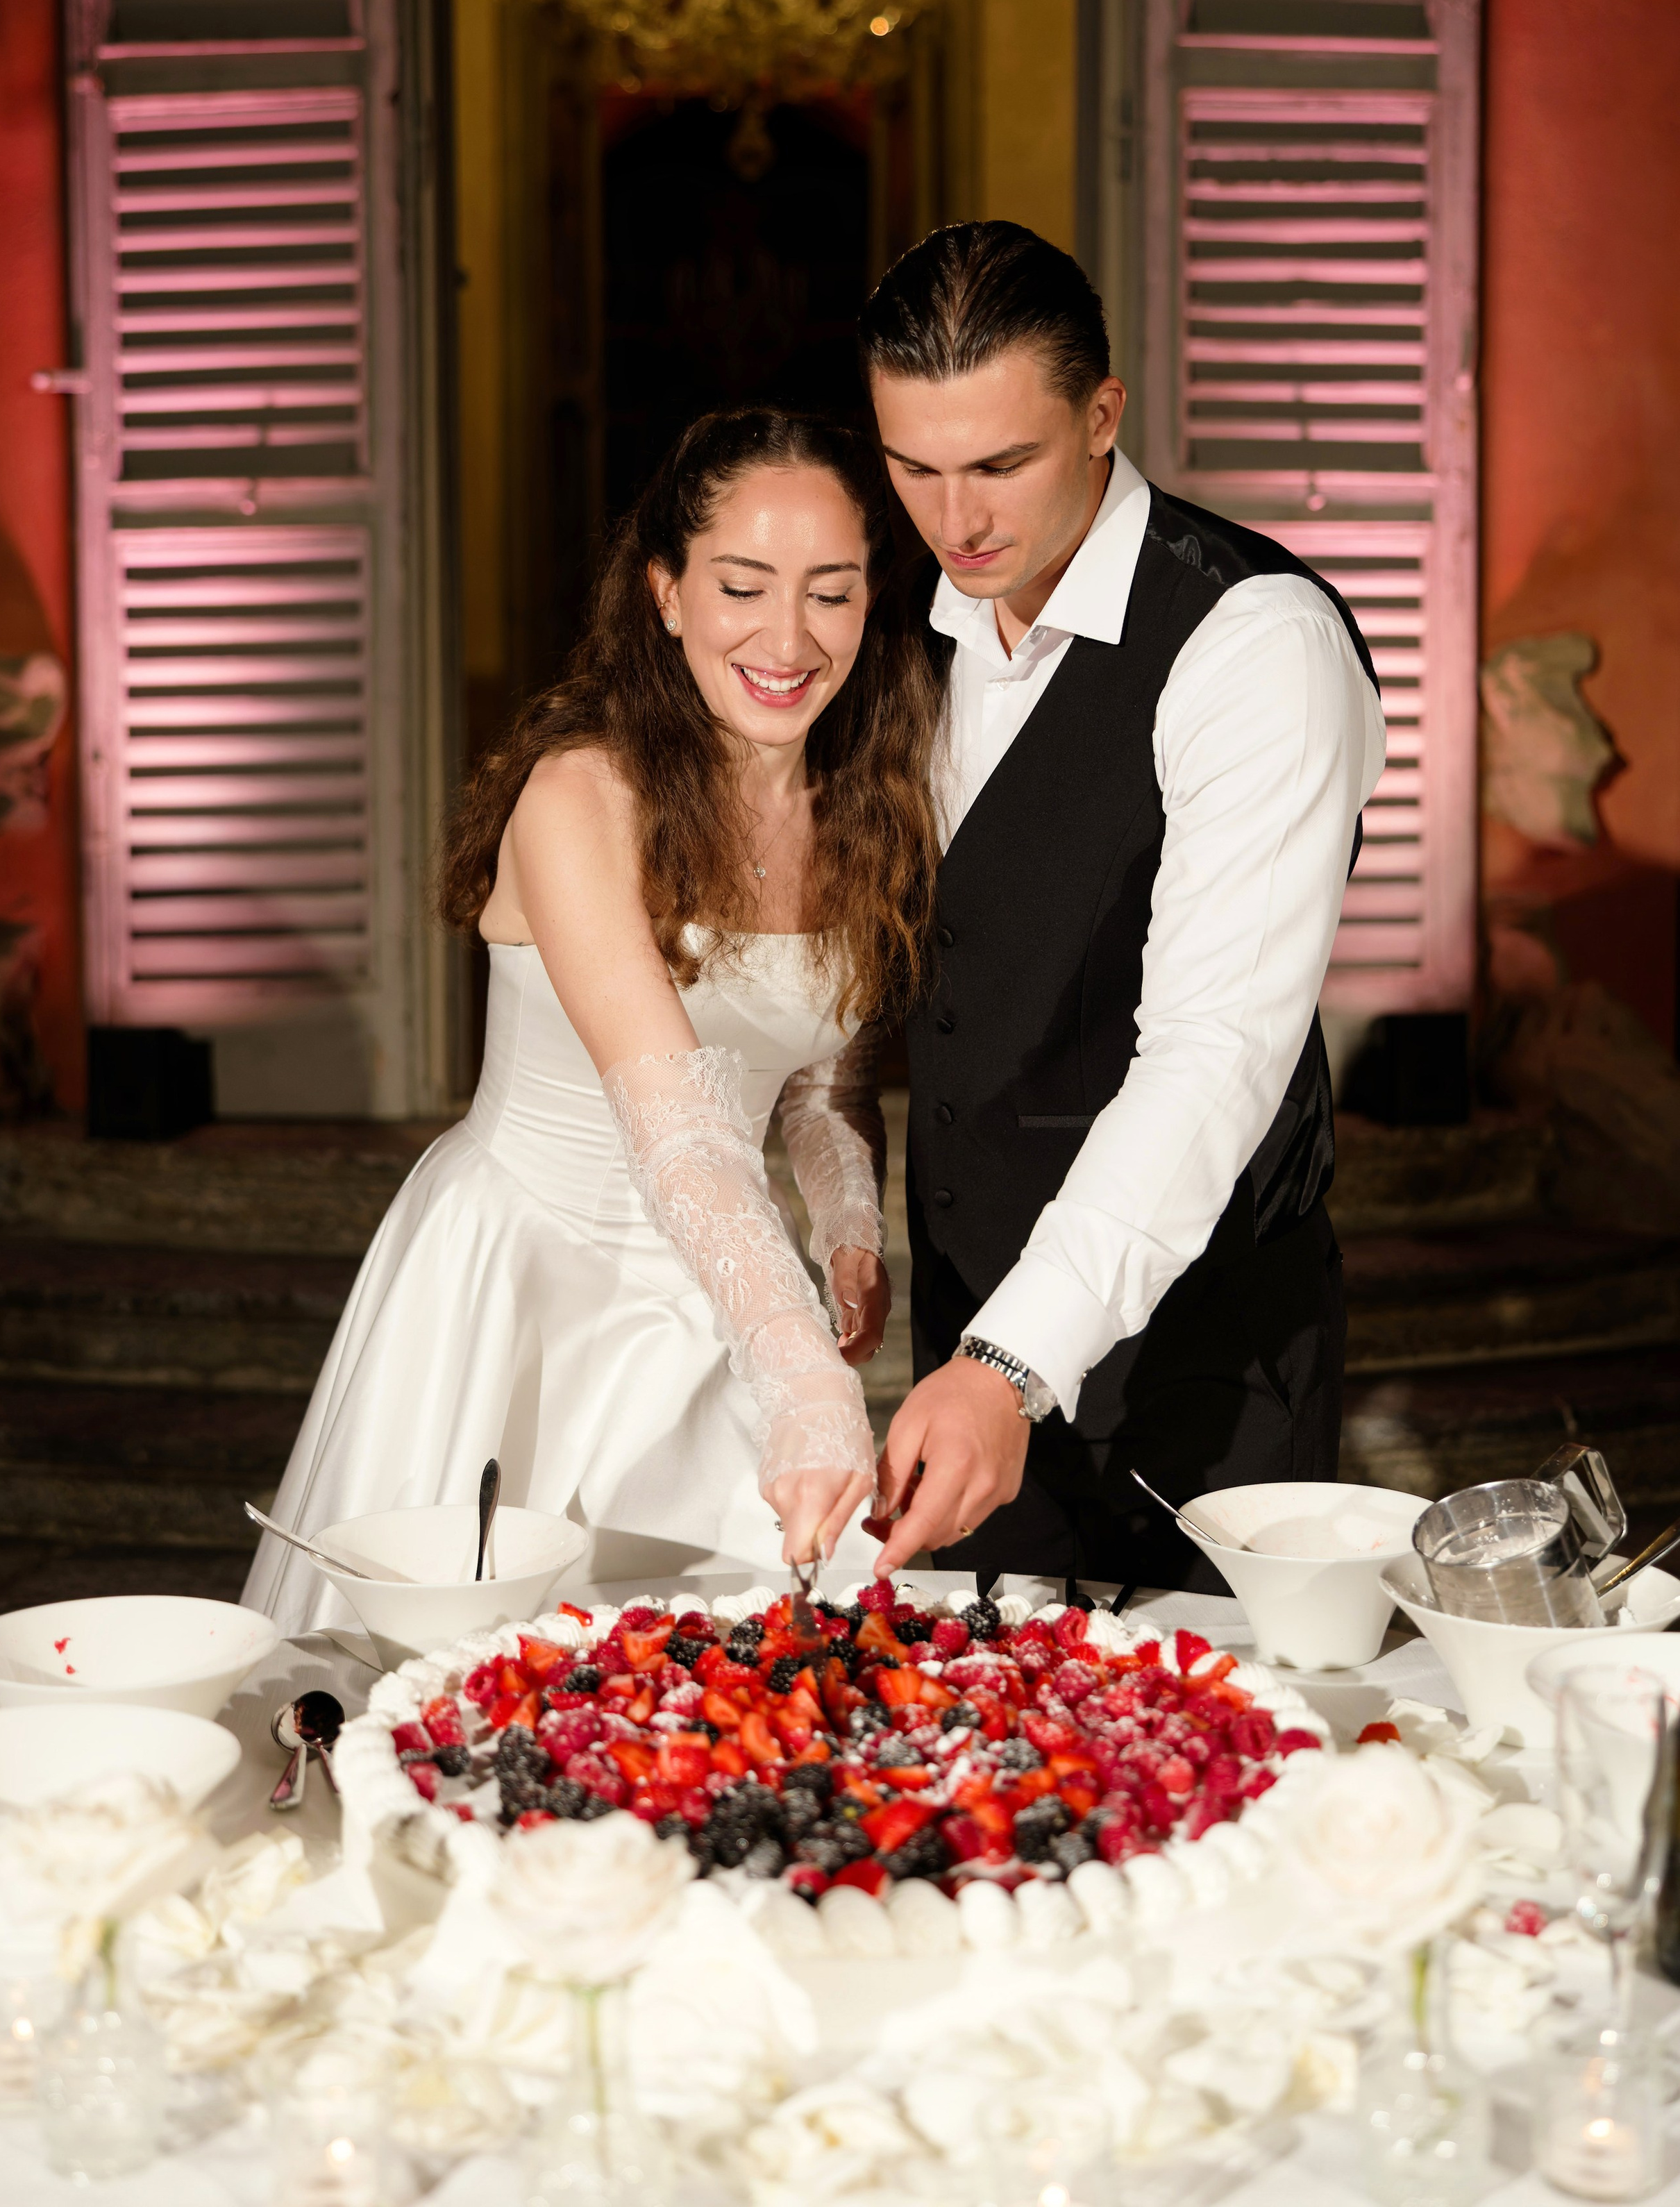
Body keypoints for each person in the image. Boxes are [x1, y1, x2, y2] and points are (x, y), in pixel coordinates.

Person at [244, 409, 941, 1640]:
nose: (788, 637)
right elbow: (677, 1124)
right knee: (454, 1683)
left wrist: (844, 1226)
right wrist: (803, 1375)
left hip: (718, 1287)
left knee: (742, 1682)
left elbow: (818, 1081)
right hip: (524, 1286)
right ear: (666, 592)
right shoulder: (584, 794)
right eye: (743, 587)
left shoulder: (869, 802)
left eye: (831, 593)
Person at [861, 221, 1388, 1588]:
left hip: (1199, 1369)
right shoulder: (905, 620)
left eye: (998, 465)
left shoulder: (1252, 644)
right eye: (912, 468)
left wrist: (1011, 1358)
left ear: (1101, 415)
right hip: (970, 1334)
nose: (953, 519)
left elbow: (1213, 1054)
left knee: (1202, 1761)